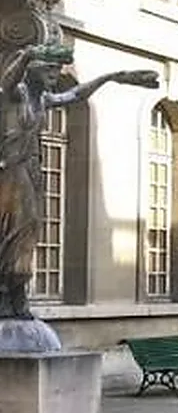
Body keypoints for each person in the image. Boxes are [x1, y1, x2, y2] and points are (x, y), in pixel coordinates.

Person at [0, 42, 158, 318]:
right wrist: (26, 55)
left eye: (58, 69)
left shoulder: (45, 99)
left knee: (29, 232)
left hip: (32, 169)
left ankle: (17, 293)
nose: (55, 74)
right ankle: (7, 293)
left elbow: (75, 94)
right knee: (15, 231)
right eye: (50, 69)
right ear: (34, 69)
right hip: (11, 172)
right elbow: (8, 81)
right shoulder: (17, 94)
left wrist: (111, 77)